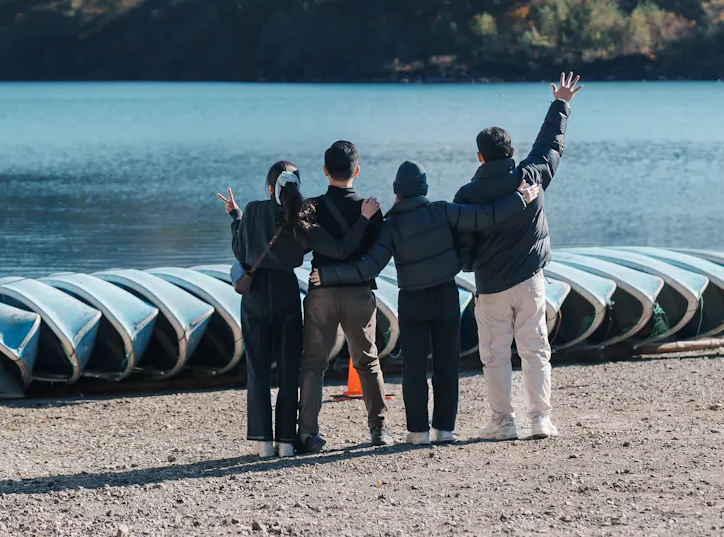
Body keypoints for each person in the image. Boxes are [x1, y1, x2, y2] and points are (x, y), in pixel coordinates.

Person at [308, 163, 539, 445]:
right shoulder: (443, 210)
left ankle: (417, 431)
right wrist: (520, 199)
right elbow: (485, 217)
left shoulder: (391, 225)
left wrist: (329, 274)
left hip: (412, 301)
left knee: (414, 368)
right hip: (445, 295)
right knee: (446, 365)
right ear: (424, 189)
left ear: (397, 192)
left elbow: (369, 267)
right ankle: (444, 430)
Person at [455, 71, 582, 442]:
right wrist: (561, 103)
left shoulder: (467, 194)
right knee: (535, 349)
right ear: (511, 152)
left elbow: (461, 246)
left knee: (494, 355)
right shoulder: (530, 177)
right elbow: (549, 145)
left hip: (491, 285)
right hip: (530, 280)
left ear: (479, 156)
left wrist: (470, 265)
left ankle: (503, 421)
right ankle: (541, 419)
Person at [218, 161, 372, 459]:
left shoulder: (253, 210)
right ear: (297, 187)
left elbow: (241, 252)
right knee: (289, 369)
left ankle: (263, 441)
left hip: (257, 295)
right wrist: (363, 219)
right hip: (287, 293)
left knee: (258, 368)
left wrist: (236, 216)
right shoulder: (303, 218)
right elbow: (340, 250)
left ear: (269, 187)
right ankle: (286, 442)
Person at [297, 140, 393, 451]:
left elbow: (304, 247)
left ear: (325, 171)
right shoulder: (372, 209)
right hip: (358, 293)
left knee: (313, 364)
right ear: (357, 170)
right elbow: (374, 256)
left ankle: (307, 433)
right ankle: (378, 428)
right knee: (367, 360)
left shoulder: (310, 207)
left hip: (321, 291)